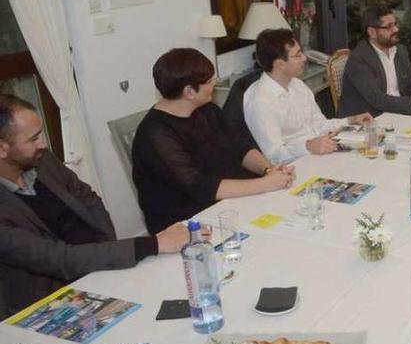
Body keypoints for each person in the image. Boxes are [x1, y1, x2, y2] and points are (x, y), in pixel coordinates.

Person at [0, 95, 189, 316]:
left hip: (99, 267)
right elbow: (60, 259)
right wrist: (152, 244)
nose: (42, 144)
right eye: (33, 139)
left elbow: (90, 200)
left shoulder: (41, 160)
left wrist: (108, 251)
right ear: (2, 149)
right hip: (47, 303)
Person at [132, 48, 294, 234]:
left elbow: (239, 146)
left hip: (231, 202)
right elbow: (199, 187)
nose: (214, 83)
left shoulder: (206, 109)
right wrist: (265, 184)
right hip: (189, 222)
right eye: (209, 81)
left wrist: (268, 170)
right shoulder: (155, 134)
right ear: (189, 92)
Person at [244, 29, 372, 164]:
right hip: (296, 165)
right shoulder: (260, 101)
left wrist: (350, 121)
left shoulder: (297, 85)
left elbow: (319, 124)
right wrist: (307, 147)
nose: (304, 58)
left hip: (321, 153)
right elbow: (274, 155)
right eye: (298, 55)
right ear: (280, 64)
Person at [338, 6, 411, 117]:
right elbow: (377, 99)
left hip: (396, 113)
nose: (396, 30)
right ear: (372, 32)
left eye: (395, 24)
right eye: (389, 27)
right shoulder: (359, 58)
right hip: (368, 120)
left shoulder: (399, 50)